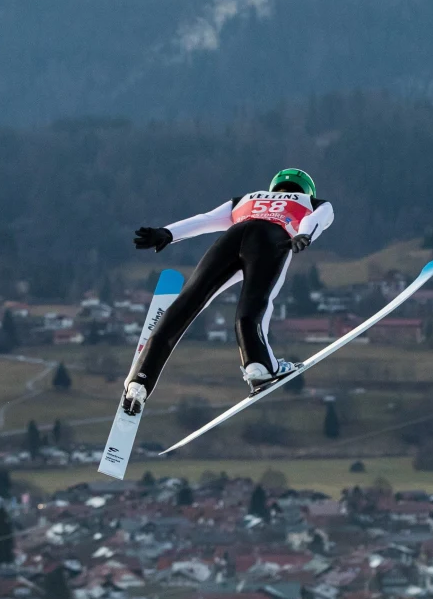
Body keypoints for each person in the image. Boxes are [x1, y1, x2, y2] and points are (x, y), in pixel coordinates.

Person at [121, 168, 334, 416]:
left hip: (232, 238)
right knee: (253, 305)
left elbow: (205, 219)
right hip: (271, 239)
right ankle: (258, 366)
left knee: (186, 304)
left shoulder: (247, 198)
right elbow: (319, 218)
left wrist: (167, 233)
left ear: (274, 187)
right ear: (307, 189)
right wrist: (304, 235)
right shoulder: (312, 201)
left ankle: (139, 381)